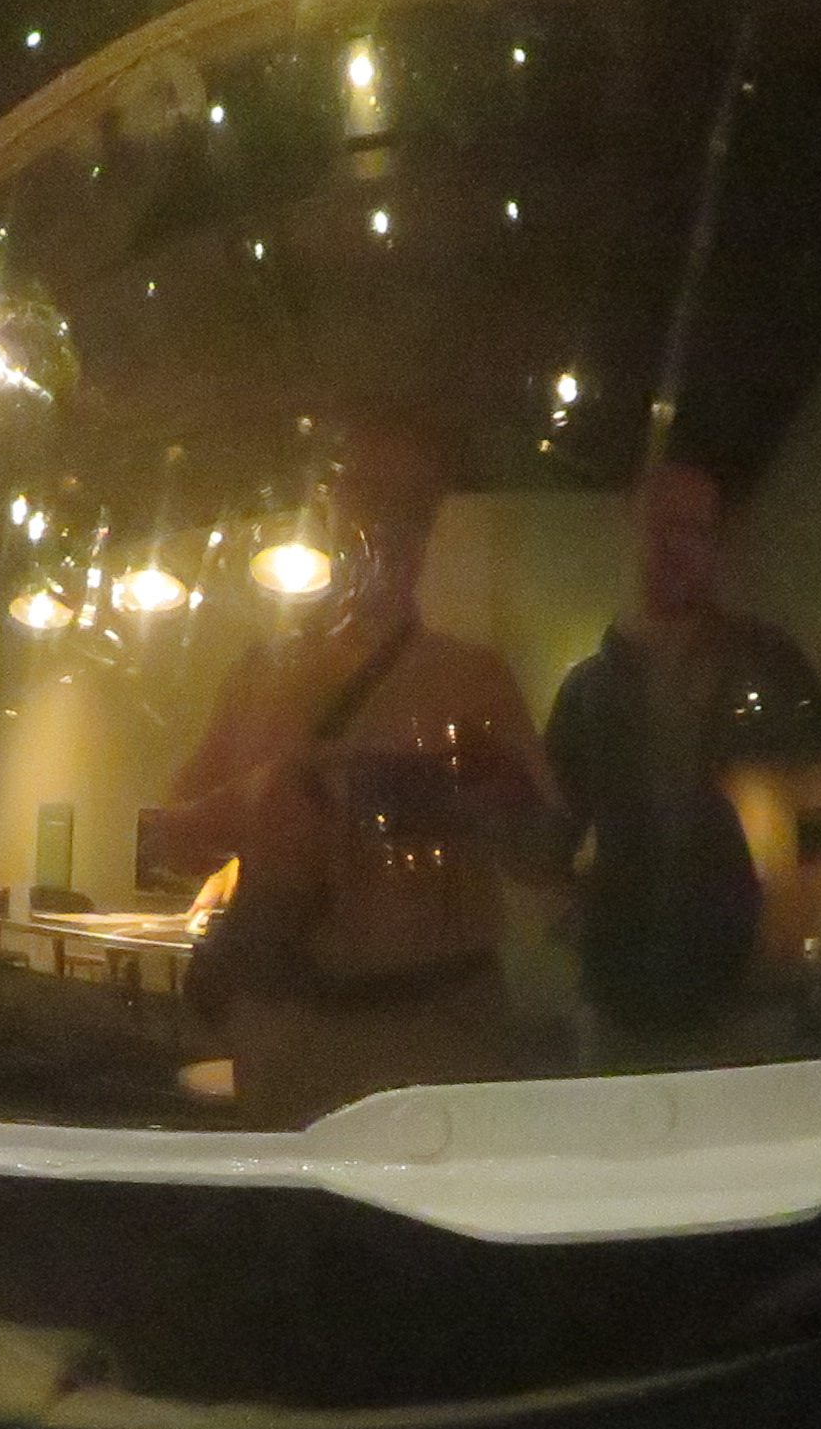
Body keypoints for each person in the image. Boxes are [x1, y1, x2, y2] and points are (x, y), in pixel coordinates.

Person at [136, 412, 557, 1118]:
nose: (386, 528)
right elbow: (160, 847)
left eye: (410, 508)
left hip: (438, 1041)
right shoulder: (263, 674)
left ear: (429, 528)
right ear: (332, 512)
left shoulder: (475, 679)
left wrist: (501, 804)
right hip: (292, 1038)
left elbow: (547, 861)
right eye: (367, 498)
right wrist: (254, 804)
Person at [542, 458, 821, 1057]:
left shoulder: (771, 664)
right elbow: (552, 836)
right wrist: (581, 921)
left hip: (749, 996)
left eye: (695, 529)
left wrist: (799, 938)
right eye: (660, 527)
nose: (676, 545)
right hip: (620, 998)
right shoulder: (586, 692)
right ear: (630, 537)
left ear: (715, 545)